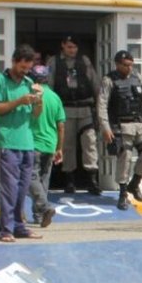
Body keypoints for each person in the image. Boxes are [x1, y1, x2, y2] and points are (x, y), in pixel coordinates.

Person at [0, 44, 44, 242]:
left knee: (22, 190)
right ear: (14, 61)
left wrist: (39, 100)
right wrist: (19, 101)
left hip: (27, 142)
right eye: (22, 67)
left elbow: (36, 115)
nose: (25, 71)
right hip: (7, 142)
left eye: (28, 68)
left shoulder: (29, 82)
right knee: (8, 189)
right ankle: (5, 229)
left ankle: (19, 226)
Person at [97, 49, 142, 210]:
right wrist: (105, 127)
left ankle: (135, 183)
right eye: (126, 65)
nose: (129, 68)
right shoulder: (109, 80)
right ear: (118, 64)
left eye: (131, 65)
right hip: (121, 125)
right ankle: (123, 193)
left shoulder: (137, 77)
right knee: (124, 157)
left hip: (140, 123)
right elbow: (102, 104)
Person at [46, 35, 103, 195]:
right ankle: (69, 180)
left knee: (89, 143)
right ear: (63, 45)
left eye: (75, 47)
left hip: (85, 109)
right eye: (69, 47)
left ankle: (92, 180)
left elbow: (95, 84)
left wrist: (100, 108)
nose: (72, 50)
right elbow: (49, 86)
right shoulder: (54, 62)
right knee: (67, 145)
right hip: (65, 109)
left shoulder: (84, 61)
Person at [25, 63, 65, 227]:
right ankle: (39, 216)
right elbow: (61, 126)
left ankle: (45, 207)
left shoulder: (30, 95)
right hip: (50, 144)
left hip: (33, 143)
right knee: (43, 181)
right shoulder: (55, 97)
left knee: (29, 178)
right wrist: (59, 148)